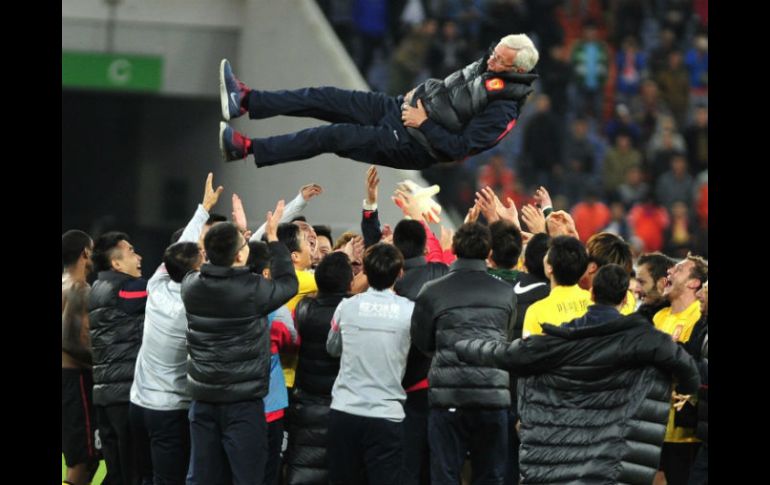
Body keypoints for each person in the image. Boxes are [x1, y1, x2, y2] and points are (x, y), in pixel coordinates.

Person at [456, 264, 700, 485]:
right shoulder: (649, 342)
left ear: (591, 294)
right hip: (614, 465)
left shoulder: (554, 341)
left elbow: (504, 354)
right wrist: (684, 388)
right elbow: (688, 370)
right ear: (625, 301)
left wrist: (460, 345)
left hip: (557, 463)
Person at [218, 35, 539, 170]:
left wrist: (421, 121)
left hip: (412, 143)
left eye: (500, 59)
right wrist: (421, 92)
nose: (492, 58)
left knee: (331, 136)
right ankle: (245, 101)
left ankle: (245, 148)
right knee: (325, 97)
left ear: (517, 70)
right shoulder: (492, 63)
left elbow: (459, 149)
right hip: (398, 107)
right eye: (495, 51)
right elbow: (451, 89)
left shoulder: (504, 110)